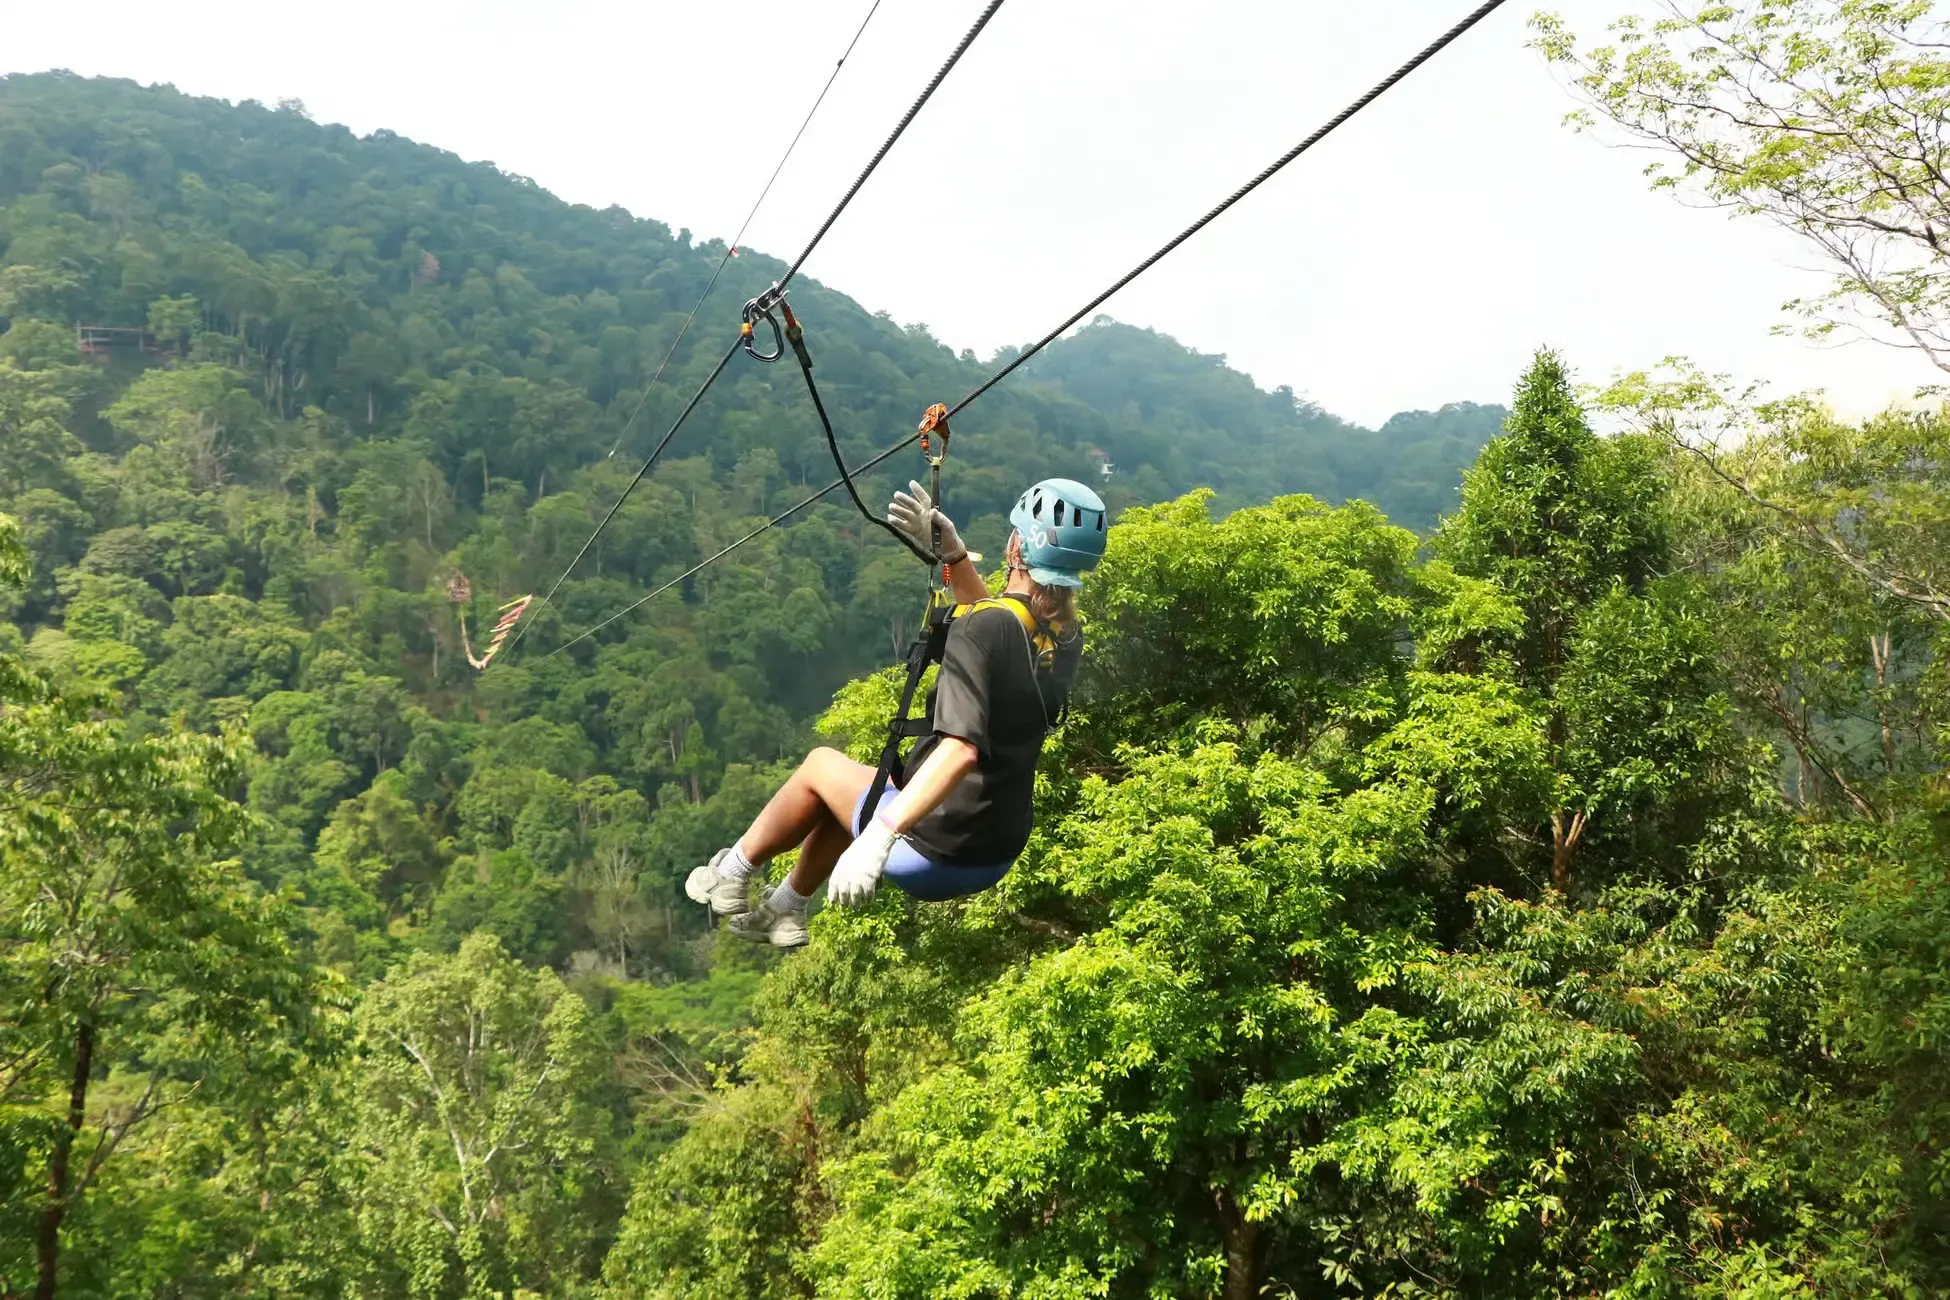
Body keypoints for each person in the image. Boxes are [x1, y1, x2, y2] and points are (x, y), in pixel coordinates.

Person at [684, 476, 1109, 947]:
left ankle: (733, 871)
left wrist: (880, 837)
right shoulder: (1065, 637)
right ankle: (786, 909)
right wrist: (954, 555)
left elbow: (961, 748)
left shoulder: (981, 630)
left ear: (1016, 547)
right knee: (853, 793)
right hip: (994, 849)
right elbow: (1002, 621)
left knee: (820, 766)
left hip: (936, 850)